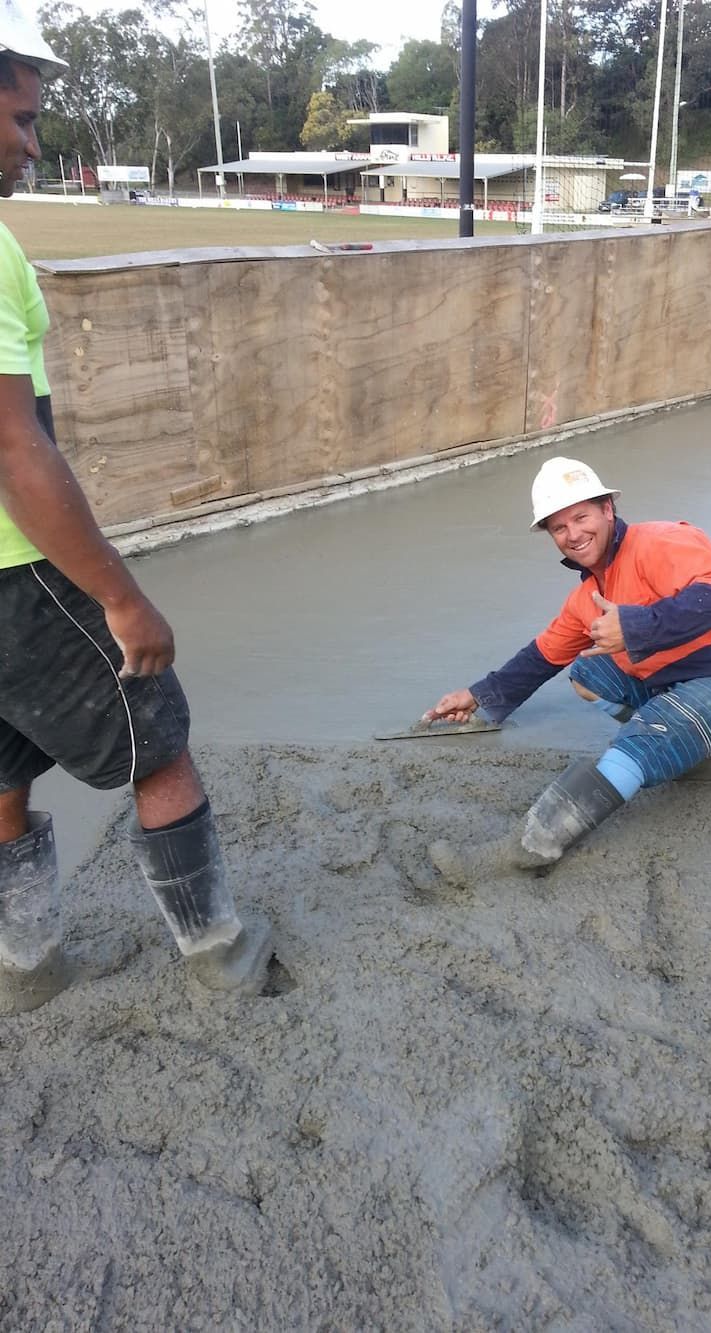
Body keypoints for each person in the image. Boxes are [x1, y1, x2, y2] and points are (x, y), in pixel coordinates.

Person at [0, 8, 271, 1014]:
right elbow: (13, 446)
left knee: (2, 771)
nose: (33, 145)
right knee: (157, 741)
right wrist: (120, 598)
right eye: (22, 119)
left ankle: (28, 970)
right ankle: (221, 955)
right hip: (20, 573)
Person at [425, 456, 711, 884]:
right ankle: (697, 760)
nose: (573, 534)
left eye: (581, 517)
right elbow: (541, 658)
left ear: (607, 509)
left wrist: (636, 625)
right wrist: (478, 699)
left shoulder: (661, 541)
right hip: (690, 681)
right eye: (559, 527)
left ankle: (523, 852)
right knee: (589, 675)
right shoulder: (588, 596)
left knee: (647, 734)